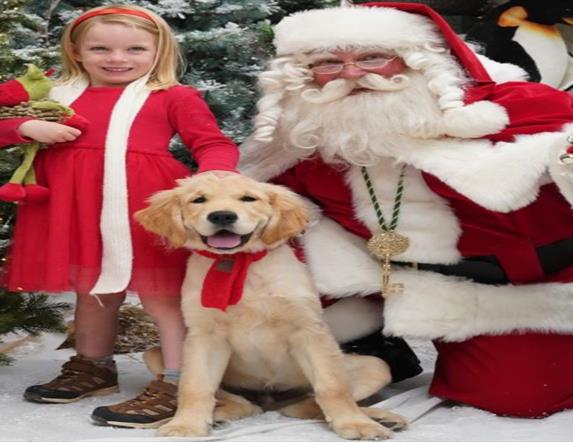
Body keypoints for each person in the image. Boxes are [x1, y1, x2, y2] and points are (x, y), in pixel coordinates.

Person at [241, 2, 573, 418]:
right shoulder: (304, 136)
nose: (350, 73)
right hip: (396, 280)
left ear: (418, 60)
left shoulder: (518, 106)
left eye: (372, 58)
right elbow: (253, 200)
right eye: (328, 63)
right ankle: (369, 342)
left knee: (514, 397)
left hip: (529, 287)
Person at [0, 5, 238, 428]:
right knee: (92, 287)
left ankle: (182, 382)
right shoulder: (53, 92)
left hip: (143, 206)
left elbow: (211, 142)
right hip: (72, 205)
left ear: (158, 49)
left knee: (161, 294)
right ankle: (94, 366)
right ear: (76, 49)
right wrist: (25, 129)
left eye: (134, 48)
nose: (117, 58)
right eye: (100, 48)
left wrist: (215, 180)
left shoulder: (172, 95)